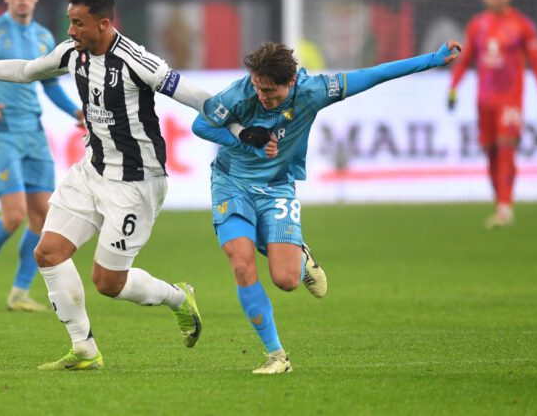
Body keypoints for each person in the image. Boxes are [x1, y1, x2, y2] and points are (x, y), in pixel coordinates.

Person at [0, 0, 210, 371]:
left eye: (78, 23)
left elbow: (197, 97)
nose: (71, 31)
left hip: (136, 182)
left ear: (103, 24)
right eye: (69, 22)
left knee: (108, 283)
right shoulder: (72, 53)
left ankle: (177, 297)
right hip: (92, 170)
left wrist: (244, 128)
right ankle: (84, 349)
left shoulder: (138, 61)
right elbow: (26, 71)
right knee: (48, 252)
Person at [192, 39, 461, 374]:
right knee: (241, 263)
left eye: (269, 91)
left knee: (286, 280)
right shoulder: (239, 93)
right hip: (231, 182)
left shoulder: (314, 90)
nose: (261, 95)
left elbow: (374, 74)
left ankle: (300, 256)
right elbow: (201, 124)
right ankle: (277, 356)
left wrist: (432, 59)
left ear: (291, 82)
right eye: (258, 87)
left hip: (276, 187)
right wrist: (243, 137)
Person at [0, 0, 84, 313]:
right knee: (14, 216)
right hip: (1, 133)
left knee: (42, 218)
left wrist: (75, 112)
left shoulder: (43, 37)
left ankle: (19, 292)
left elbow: (50, 85)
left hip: (34, 133)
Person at [448, 0, 537, 228]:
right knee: (491, 151)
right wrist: (453, 88)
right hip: (484, 100)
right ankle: (500, 202)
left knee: (506, 147)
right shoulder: (477, 25)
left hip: (510, 99)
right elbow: (465, 59)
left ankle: (505, 207)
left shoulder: (523, 25)